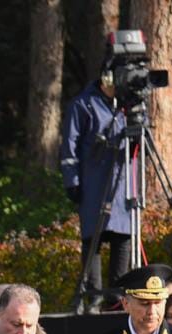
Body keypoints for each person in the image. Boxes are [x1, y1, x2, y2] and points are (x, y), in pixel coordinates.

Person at [60, 44, 132, 309]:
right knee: (94, 238)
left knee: (123, 237)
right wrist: (72, 181)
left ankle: (118, 295)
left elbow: (140, 145)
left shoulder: (128, 106)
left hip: (124, 183)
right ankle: (94, 295)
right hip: (94, 182)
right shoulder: (83, 104)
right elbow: (69, 145)